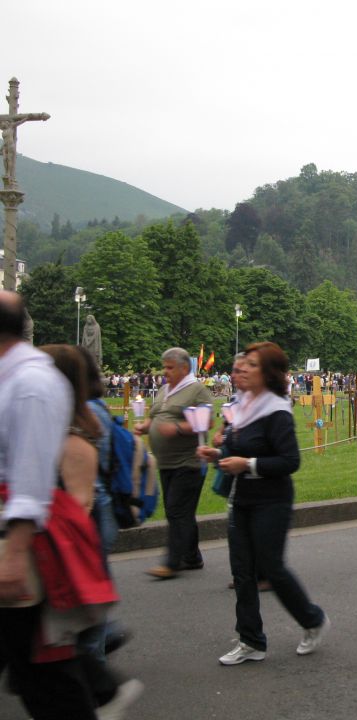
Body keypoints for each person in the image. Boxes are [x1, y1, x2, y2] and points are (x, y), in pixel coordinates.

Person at [198, 342, 328, 665]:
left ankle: (312, 619)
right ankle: (251, 640)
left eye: (252, 364)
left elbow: (289, 461)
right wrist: (219, 456)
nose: (243, 368)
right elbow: (236, 452)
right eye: (243, 363)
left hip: (272, 500)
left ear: (267, 373)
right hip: (241, 499)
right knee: (242, 572)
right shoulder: (241, 406)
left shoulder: (276, 411)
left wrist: (249, 465)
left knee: (271, 567)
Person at [0, 291, 98, 720]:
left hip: (19, 541)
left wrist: (15, 552)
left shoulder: (31, 383)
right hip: (18, 539)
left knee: (44, 676)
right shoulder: (14, 377)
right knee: (37, 672)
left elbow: (30, 475)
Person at [40, 345, 144, 717]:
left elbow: (78, 504)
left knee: (57, 637)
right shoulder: (64, 424)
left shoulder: (79, 432)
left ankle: (99, 682)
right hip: (62, 538)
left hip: (66, 538)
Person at [134, 347, 215, 579]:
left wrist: (178, 428)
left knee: (177, 510)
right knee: (178, 511)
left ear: (184, 368)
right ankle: (192, 556)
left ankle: (173, 562)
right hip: (167, 462)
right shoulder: (164, 390)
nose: (165, 371)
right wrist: (146, 426)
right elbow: (156, 414)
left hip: (188, 460)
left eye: (170, 367)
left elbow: (207, 421)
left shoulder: (196, 390)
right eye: (165, 367)